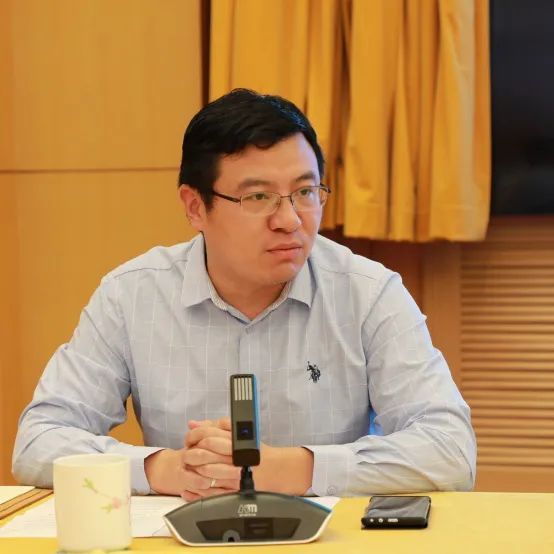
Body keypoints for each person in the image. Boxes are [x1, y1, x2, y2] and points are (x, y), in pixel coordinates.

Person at [13, 89, 476, 499]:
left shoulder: (369, 293)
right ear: (196, 207)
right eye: (258, 197)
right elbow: (38, 441)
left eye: (306, 192)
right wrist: (166, 469)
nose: (290, 220)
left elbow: (450, 450)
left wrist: (292, 469)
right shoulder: (131, 296)